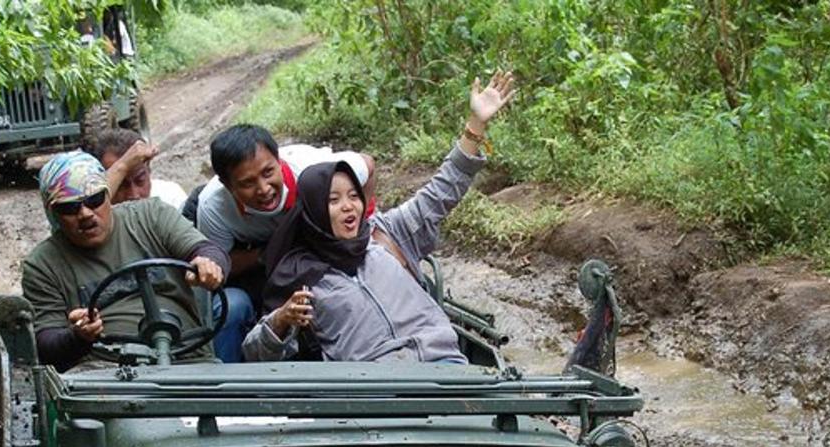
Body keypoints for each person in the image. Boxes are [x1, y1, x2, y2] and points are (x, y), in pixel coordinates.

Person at [243, 71, 516, 364]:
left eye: (353, 196)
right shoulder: (298, 275)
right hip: (374, 388)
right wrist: (281, 320)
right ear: (314, 213)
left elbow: (442, 190)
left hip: (443, 365)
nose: (349, 207)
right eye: (333, 200)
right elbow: (255, 353)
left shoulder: (386, 233)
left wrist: (476, 125)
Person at [21, 150, 229, 371]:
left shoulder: (151, 215)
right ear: (52, 213)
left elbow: (206, 249)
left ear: (107, 195)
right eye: (69, 207)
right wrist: (78, 336)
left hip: (187, 354)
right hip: (102, 368)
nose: (85, 214)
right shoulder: (43, 264)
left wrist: (208, 263)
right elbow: (45, 344)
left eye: (94, 199)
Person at [94, 131, 256, 363]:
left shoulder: (167, 200)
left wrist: (207, 264)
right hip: (120, 318)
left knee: (235, 303)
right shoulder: (87, 217)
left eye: (140, 180)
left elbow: (203, 249)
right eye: (120, 183)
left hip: (179, 303)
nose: (133, 195)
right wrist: (122, 166)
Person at [192, 126, 375, 294]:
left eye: (268, 172)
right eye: (248, 183)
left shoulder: (312, 169)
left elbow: (367, 164)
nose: (264, 189)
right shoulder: (213, 208)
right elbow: (220, 264)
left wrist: (362, 222)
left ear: (279, 161)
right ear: (227, 185)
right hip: (265, 255)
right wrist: (267, 253)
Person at [95, 128, 187, 209]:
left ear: (149, 171)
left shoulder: (171, 198)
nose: (134, 195)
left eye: (140, 181)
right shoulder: (92, 216)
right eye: (121, 185)